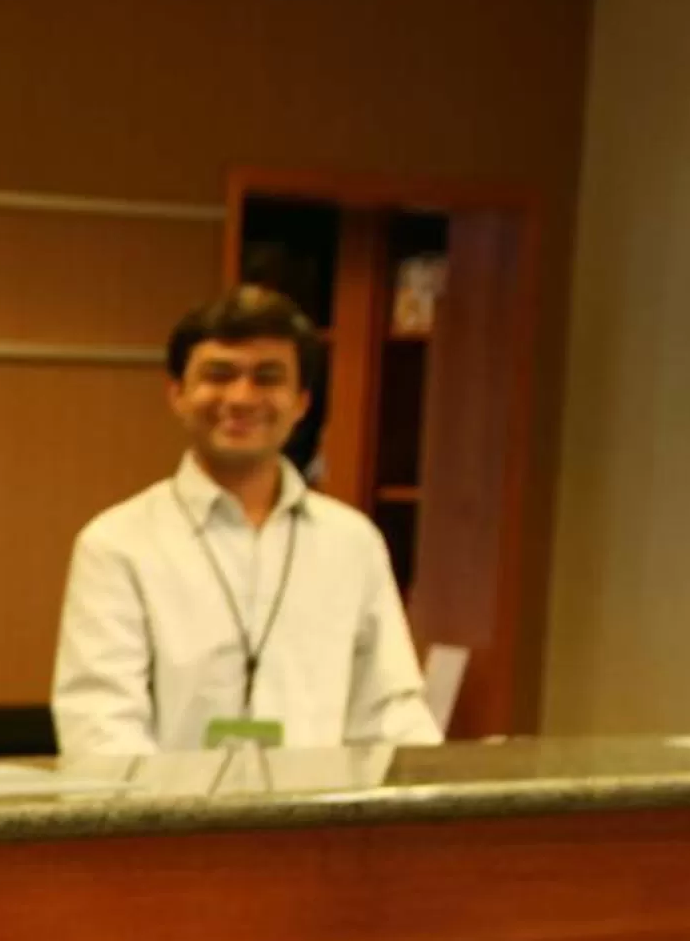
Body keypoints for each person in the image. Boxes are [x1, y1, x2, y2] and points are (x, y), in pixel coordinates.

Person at [51, 286, 446, 756]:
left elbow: (390, 713)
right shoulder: (118, 544)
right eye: (219, 375)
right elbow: (100, 721)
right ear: (176, 393)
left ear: (300, 402)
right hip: (172, 821)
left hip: (320, 823)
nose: (241, 397)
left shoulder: (352, 542)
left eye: (267, 377)